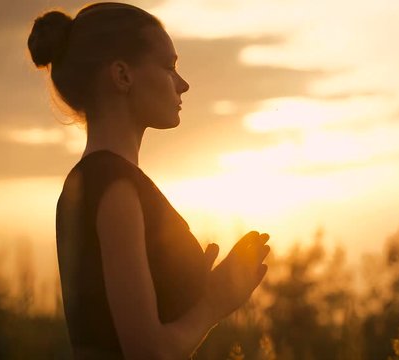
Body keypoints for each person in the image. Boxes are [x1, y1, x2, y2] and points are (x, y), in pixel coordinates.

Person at [27, 3, 271, 359]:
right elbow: (147, 352)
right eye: (169, 67)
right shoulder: (116, 189)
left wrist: (186, 299)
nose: (183, 84)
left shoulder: (88, 182)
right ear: (123, 76)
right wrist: (214, 303)